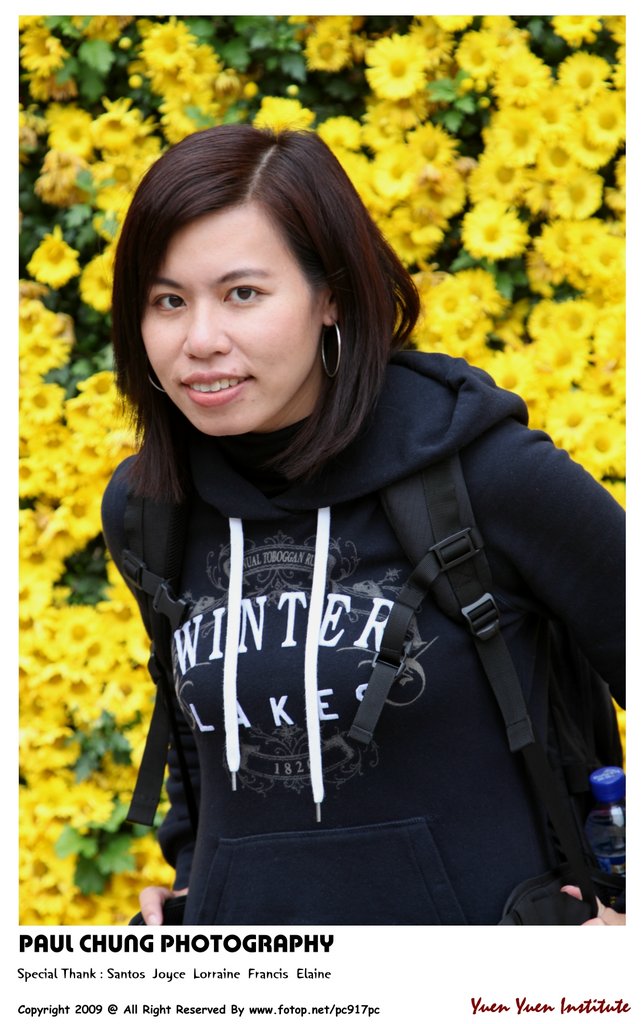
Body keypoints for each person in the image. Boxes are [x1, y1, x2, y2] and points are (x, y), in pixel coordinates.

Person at [102, 124, 625, 926]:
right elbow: (202, 729)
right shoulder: (149, 508)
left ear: (332, 295)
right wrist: (195, 885)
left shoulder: (486, 475)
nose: (200, 341)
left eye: (243, 294)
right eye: (168, 301)